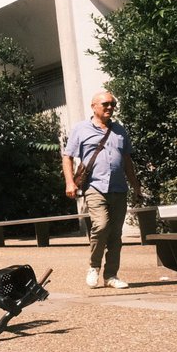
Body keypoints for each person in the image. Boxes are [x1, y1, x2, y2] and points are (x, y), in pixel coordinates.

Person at [63, 90, 143, 289]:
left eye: (112, 104)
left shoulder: (120, 130)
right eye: (105, 104)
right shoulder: (80, 129)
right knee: (101, 226)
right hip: (94, 187)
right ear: (94, 106)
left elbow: (126, 160)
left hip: (118, 188)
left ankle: (111, 276)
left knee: (116, 234)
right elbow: (68, 156)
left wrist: (136, 186)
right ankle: (94, 266)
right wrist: (69, 183)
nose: (110, 107)